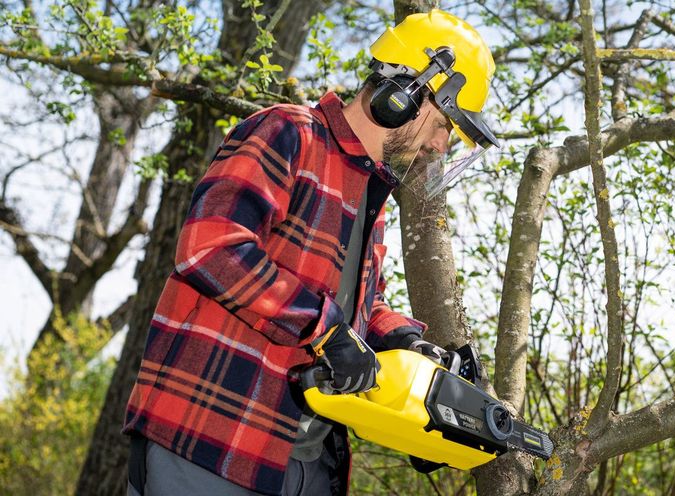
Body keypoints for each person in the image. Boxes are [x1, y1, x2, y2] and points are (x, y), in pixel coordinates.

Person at [122, 9, 499, 496]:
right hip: (212, 437)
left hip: (304, 459)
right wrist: (324, 328)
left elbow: (359, 306)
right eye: (445, 124)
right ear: (405, 95)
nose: (441, 145)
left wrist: (405, 343)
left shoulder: (369, 190)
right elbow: (211, 245)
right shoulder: (288, 132)